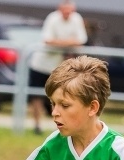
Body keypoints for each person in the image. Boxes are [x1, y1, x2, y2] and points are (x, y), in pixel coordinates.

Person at [28, 0, 87, 135]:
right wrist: (69, 43)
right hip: (41, 64)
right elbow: (48, 40)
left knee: (61, 97)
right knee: (36, 96)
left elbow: (81, 41)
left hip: (59, 68)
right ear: (60, 8)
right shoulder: (52, 18)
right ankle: (37, 126)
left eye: (70, 10)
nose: (67, 13)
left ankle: (59, 128)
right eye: (65, 10)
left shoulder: (77, 19)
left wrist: (60, 43)